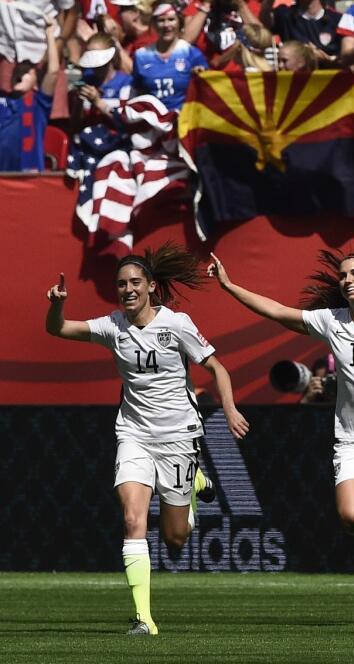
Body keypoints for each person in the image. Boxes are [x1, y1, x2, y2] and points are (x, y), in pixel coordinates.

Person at [207, 223, 354, 629]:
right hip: (353, 440)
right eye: (342, 275)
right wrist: (230, 287)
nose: (347, 280)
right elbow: (278, 311)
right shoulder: (331, 321)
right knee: (353, 518)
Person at [44, 245, 248, 636]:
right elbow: (58, 329)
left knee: (175, 537)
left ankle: (193, 486)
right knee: (133, 519)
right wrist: (57, 306)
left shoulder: (178, 324)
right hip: (134, 434)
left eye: (135, 282)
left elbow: (216, 367)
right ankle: (144, 619)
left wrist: (231, 409)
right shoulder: (111, 326)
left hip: (177, 437)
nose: (128, 289)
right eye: (121, 284)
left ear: (152, 287)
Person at [131, 0, 208, 112]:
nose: (166, 25)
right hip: (153, 123)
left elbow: (207, 91)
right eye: (161, 20)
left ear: (179, 22)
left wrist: (200, 76)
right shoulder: (141, 56)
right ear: (154, 24)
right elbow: (137, 91)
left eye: (171, 19)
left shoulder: (191, 53)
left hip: (183, 121)